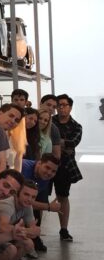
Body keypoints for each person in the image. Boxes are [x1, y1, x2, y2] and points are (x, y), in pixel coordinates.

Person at [52, 94, 83, 242]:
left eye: (65, 105)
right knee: (39, 195)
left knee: (63, 196)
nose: (62, 108)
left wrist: (55, 142)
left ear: (70, 107)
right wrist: (62, 144)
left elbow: (73, 143)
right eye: (59, 105)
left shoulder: (76, 126)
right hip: (46, 163)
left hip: (65, 165)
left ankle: (63, 229)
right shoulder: (50, 121)